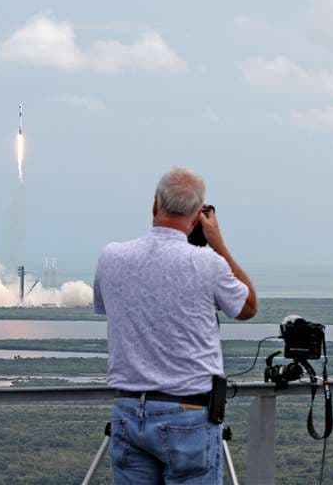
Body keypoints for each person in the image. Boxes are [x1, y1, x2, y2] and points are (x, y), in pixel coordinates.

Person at [93, 166, 257, 485]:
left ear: (155, 204)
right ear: (198, 216)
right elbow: (247, 307)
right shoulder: (208, 263)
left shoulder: (111, 257)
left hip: (128, 410)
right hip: (188, 415)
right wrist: (218, 244)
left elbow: (105, 307)